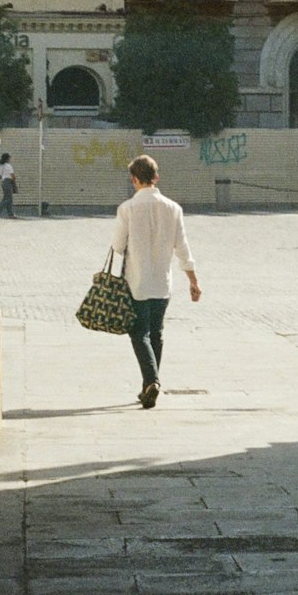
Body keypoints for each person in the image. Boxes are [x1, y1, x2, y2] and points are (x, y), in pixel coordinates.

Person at [111, 154, 201, 409]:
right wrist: (193, 280)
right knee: (156, 334)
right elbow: (182, 248)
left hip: (136, 281)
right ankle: (148, 386)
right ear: (156, 177)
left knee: (139, 332)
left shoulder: (127, 209)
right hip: (163, 282)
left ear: (134, 180)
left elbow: (117, 246)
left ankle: (151, 381)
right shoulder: (173, 208)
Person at [0, 151, 17, 218]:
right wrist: (14, 183)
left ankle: (10, 214)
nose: (10, 159)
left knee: (8, 198)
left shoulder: (2, 166)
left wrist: (4, 176)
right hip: (8, 182)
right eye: (9, 158)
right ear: (7, 159)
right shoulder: (8, 166)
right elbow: (13, 175)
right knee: (8, 198)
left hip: (4, 182)